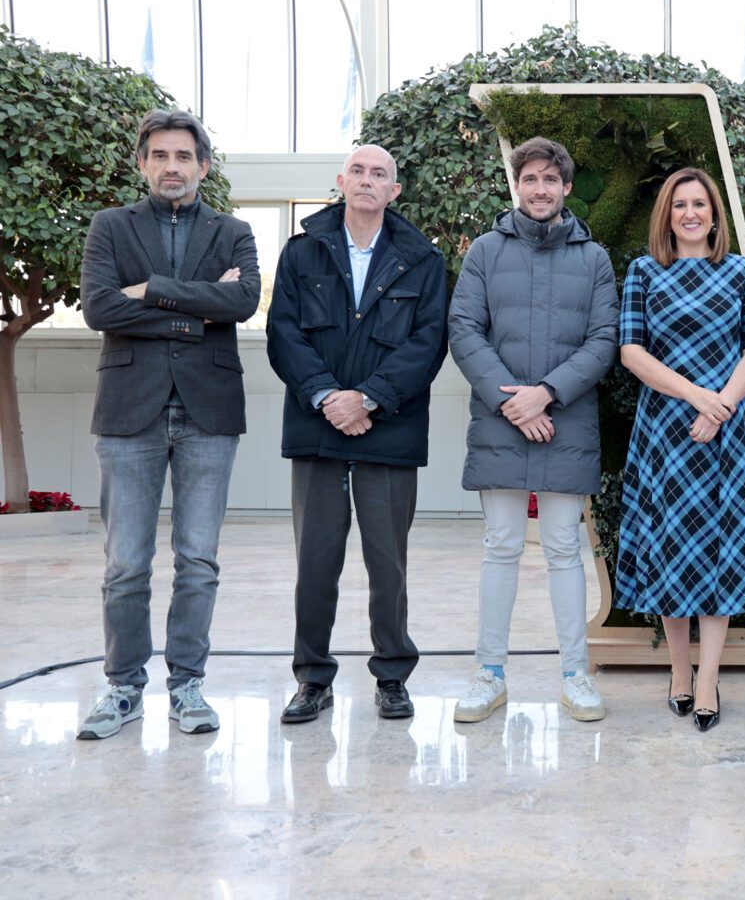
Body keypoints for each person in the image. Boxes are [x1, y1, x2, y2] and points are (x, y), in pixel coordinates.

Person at [76, 109, 261, 740]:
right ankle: (123, 688)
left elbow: (243, 301)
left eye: (183, 156)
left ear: (203, 166)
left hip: (209, 410)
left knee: (198, 561)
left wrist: (146, 291)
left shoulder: (234, 231)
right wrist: (193, 310)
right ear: (142, 163)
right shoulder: (110, 226)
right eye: (160, 155)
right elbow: (100, 309)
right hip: (130, 411)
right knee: (125, 563)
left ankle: (187, 687)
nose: (172, 167)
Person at [266, 144, 448, 724]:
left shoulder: (423, 260)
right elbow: (283, 333)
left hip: (387, 428)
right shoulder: (302, 252)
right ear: (341, 181)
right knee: (315, 562)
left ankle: (392, 675)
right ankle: (311, 678)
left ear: (395, 190)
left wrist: (367, 399)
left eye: (380, 174)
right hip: (317, 426)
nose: (368, 180)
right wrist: (328, 397)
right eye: (359, 171)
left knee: (388, 563)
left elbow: (428, 342)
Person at [447, 136, 617, 724]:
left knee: (565, 548)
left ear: (566, 187)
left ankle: (575, 674)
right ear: (516, 186)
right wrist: (514, 404)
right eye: (529, 179)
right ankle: (489, 674)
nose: (539, 189)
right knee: (501, 546)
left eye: (550, 179)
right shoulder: (485, 252)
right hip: (502, 421)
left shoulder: (594, 259)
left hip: (566, 420)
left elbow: (604, 340)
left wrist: (545, 393)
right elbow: (464, 330)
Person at [614, 167, 745, 733]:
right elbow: (631, 351)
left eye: (699, 203)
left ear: (714, 214)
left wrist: (719, 406)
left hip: (726, 430)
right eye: (679, 204)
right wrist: (696, 397)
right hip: (666, 431)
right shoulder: (643, 272)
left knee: (720, 549)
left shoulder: (740, 271)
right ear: (667, 214)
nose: (689, 213)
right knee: (671, 547)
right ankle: (679, 670)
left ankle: (709, 678)